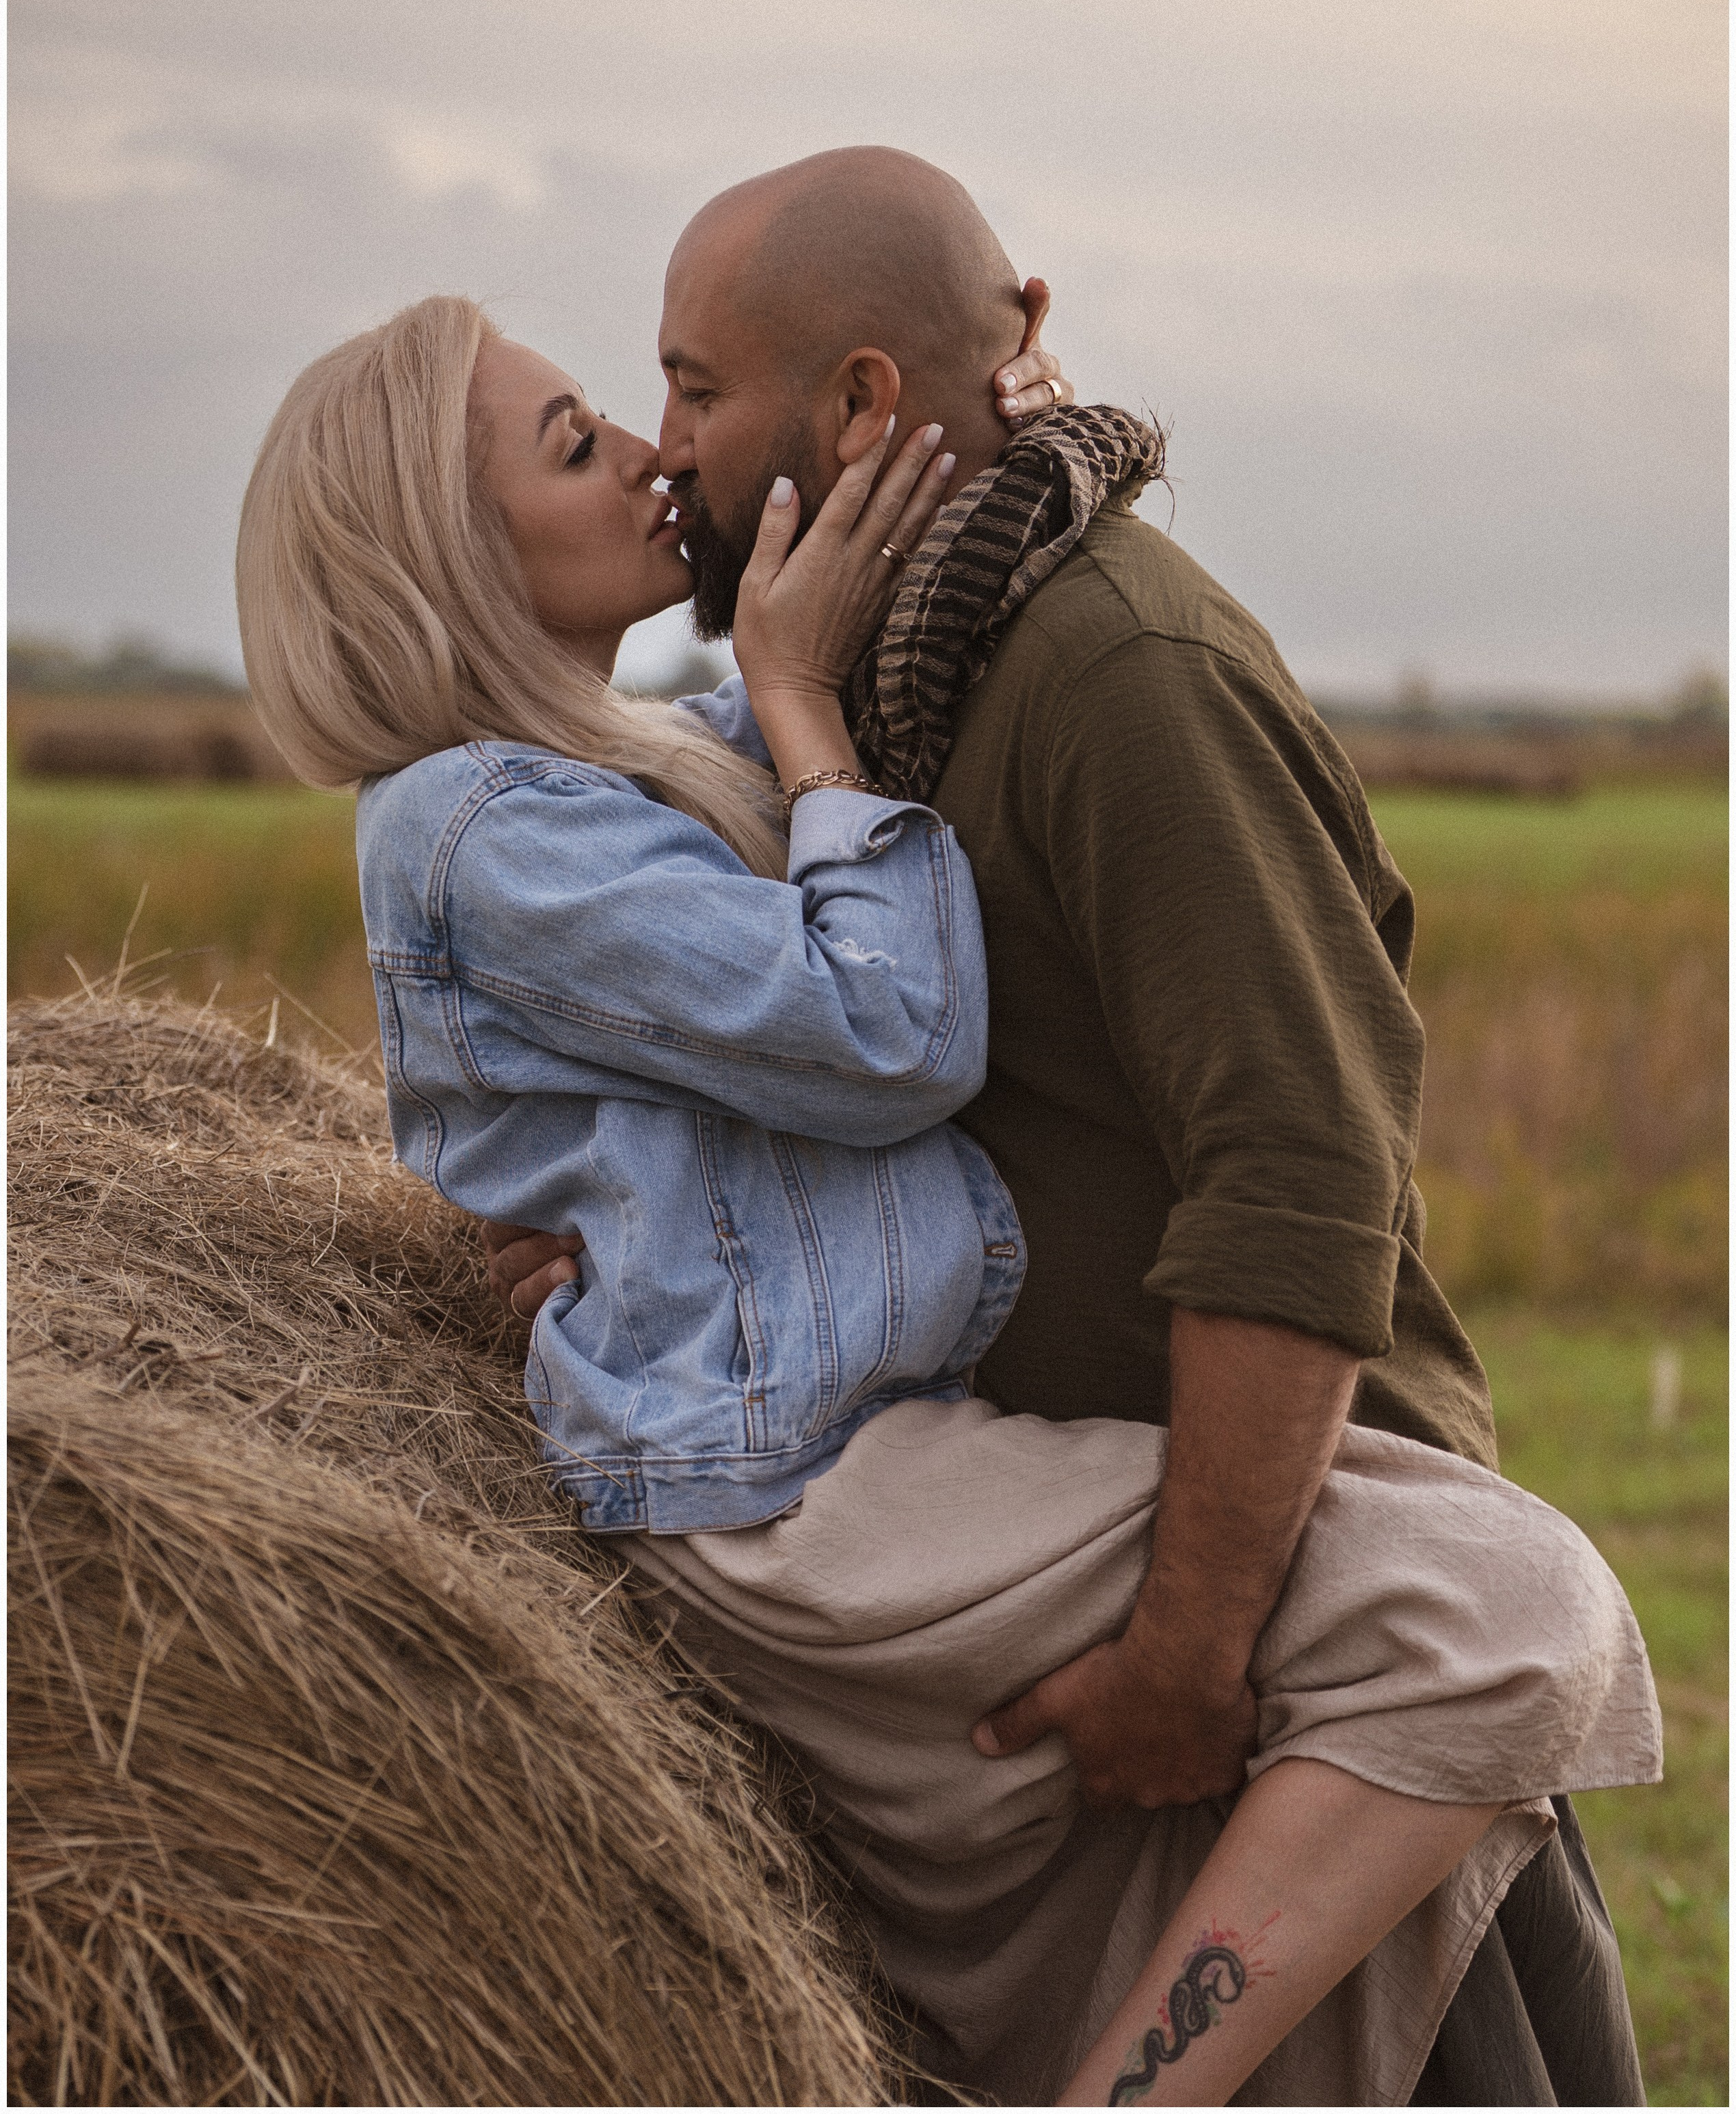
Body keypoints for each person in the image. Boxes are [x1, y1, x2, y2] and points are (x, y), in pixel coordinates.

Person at [236, 295, 1657, 2109]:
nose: (657, 455)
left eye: (657, 404)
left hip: (866, 1465)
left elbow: (822, 735)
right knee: (1509, 1603)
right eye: (581, 441)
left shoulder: (617, 764)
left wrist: (1008, 454)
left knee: (1444, 1638)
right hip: (802, 1493)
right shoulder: (472, 822)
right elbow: (888, 1028)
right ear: (439, 555)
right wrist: (805, 706)